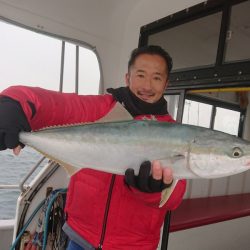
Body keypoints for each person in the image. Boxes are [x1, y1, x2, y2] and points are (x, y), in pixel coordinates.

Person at [0, 45, 186, 250]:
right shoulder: (97, 110)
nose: (147, 85)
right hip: (79, 236)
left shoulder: (176, 134)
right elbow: (54, 104)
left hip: (133, 245)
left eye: (157, 78)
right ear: (127, 77)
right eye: (140, 75)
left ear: (166, 83)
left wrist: (151, 190)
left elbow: (173, 199)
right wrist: (14, 102)